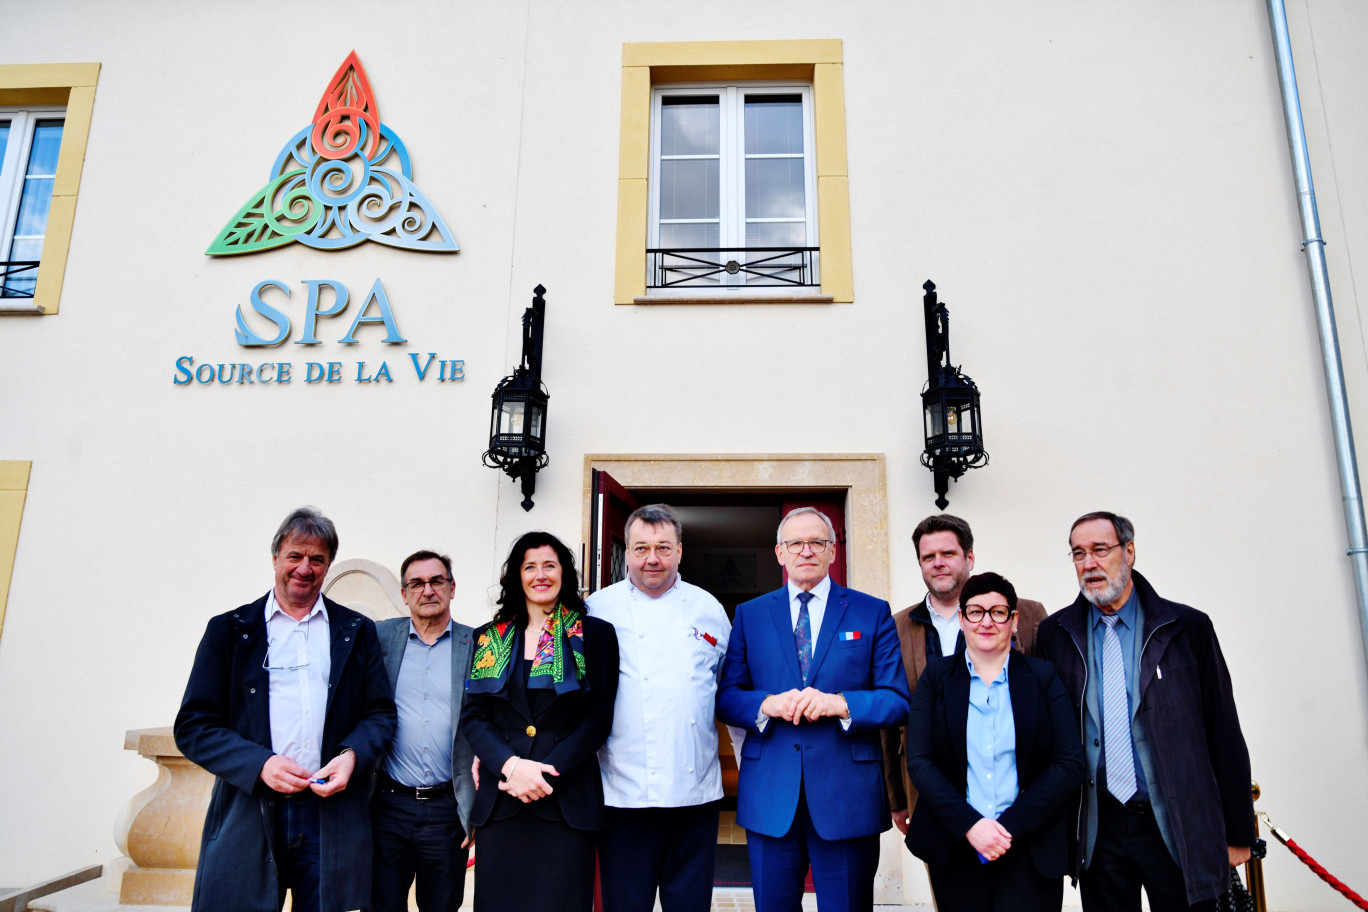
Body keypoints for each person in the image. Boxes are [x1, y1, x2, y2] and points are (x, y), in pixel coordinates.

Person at [174, 507, 395, 912]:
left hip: (331, 815)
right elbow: (193, 726)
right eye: (295, 556)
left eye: (317, 559)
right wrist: (260, 764)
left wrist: (352, 756)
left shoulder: (356, 631)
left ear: (328, 566)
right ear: (275, 557)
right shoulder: (229, 631)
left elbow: (379, 713)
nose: (304, 568)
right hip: (251, 811)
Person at [1035, 512, 1255, 912]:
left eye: (1101, 550)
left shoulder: (1186, 627)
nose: (1089, 564)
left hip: (1175, 823)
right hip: (1098, 826)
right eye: (1079, 554)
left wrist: (1238, 831)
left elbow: (1223, 729)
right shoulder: (1056, 635)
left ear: (1129, 551)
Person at [717, 506, 909, 912]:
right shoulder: (750, 615)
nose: (806, 551)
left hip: (847, 796)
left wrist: (840, 704)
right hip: (770, 795)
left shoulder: (870, 611)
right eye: (795, 543)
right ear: (779, 553)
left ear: (832, 551)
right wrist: (766, 703)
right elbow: (727, 696)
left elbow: (896, 700)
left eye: (816, 542)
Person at [903, 572, 1084, 911]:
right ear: (961, 618)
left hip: (1029, 847)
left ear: (1014, 621)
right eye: (975, 611)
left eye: (998, 612)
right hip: (957, 846)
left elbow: (1069, 763)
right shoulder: (937, 678)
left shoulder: (1042, 677)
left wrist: (1006, 829)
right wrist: (970, 825)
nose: (986, 621)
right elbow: (921, 762)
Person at [460, 531, 620, 912]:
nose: (540, 575)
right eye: (529, 566)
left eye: (550, 565)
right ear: (517, 575)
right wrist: (511, 767)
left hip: (565, 801)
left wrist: (546, 773)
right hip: (504, 800)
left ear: (564, 572)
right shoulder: (491, 636)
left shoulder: (594, 635)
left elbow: (598, 720)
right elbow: (475, 718)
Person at [588, 504, 731, 912]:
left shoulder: (709, 609)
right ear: (627, 552)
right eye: (641, 548)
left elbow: (728, 688)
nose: (652, 558)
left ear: (680, 552)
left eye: (664, 548)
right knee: (624, 904)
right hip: (621, 793)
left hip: (694, 795)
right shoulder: (597, 608)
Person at [883, 514, 1048, 836]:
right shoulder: (896, 628)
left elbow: (1053, 700)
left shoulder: (1026, 615)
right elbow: (891, 720)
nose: (938, 564)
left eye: (948, 554)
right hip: (930, 785)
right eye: (928, 557)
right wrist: (895, 796)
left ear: (969, 557)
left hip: (1016, 783)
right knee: (948, 880)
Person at [370, 550, 477, 912]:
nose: (427, 590)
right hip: (387, 806)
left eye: (437, 581)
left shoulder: (477, 645)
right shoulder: (380, 638)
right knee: (380, 905)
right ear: (404, 593)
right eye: (416, 583)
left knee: (442, 906)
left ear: (452, 588)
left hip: (447, 810)